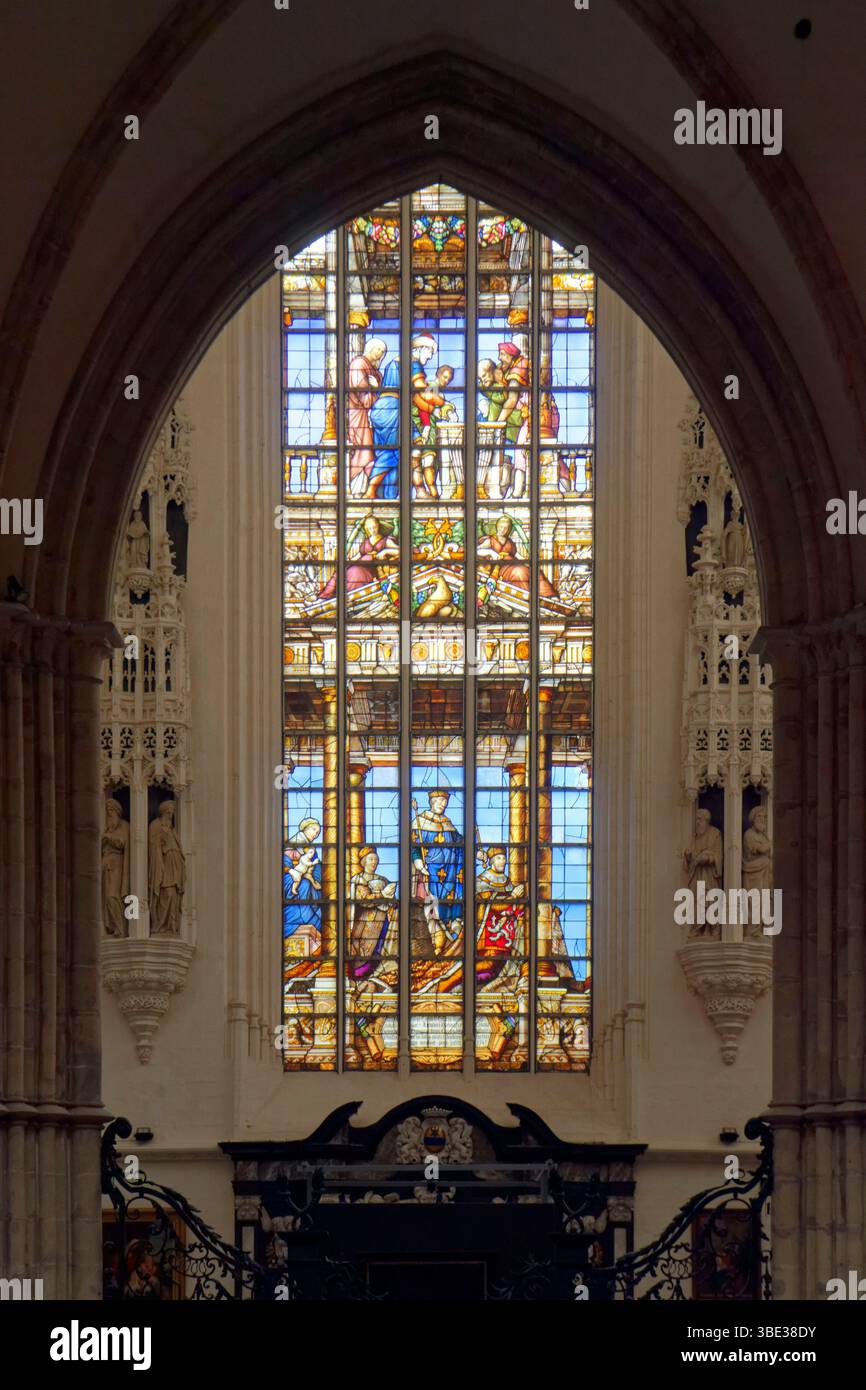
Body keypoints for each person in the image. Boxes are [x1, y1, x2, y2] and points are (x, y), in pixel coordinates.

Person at [411, 789, 464, 958]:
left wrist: (476, 850)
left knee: (448, 904)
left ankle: (449, 937)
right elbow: (414, 845)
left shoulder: (449, 825)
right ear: (432, 802)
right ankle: (435, 939)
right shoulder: (420, 822)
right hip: (430, 871)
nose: (443, 804)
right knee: (431, 904)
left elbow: (461, 844)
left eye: (445, 802)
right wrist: (418, 863)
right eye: (440, 801)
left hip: (450, 873)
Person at [318, 514, 398, 602]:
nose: (373, 530)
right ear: (367, 529)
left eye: (374, 527)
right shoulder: (366, 542)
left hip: (373, 569)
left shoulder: (385, 540)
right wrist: (347, 561)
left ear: (378, 526)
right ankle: (326, 595)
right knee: (341, 571)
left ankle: (349, 598)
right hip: (360, 564)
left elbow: (400, 551)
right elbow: (359, 556)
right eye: (370, 528)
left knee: (355, 572)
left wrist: (385, 551)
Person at [477, 515, 556, 596]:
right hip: (500, 568)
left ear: (509, 529)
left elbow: (516, 555)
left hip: (513, 563)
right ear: (497, 526)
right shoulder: (490, 540)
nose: (502, 530)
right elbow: (476, 550)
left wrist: (528, 561)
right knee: (519, 572)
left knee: (535, 571)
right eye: (501, 527)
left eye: (505, 528)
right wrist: (490, 552)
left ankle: (548, 595)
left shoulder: (509, 541)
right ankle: (527, 596)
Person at [348, 338, 386, 495]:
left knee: (370, 449)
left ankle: (366, 490)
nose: (380, 354)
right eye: (378, 349)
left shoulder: (373, 369)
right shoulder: (358, 364)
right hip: (358, 414)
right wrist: (374, 392)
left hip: (370, 415)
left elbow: (380, 391)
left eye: (383, 352)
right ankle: (358, 489)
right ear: (370, 348)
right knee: (364, 450)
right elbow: (362, 393)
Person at [148, 800, 186, 936]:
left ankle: (172, 925)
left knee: (173, 896)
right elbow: (154, 847)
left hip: (175, 868)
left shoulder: (172, 830)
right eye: (168, 812)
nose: (170, 815)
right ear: (163, 812)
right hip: (164, 866)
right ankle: (159, 925)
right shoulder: (156, 826)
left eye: (172, 812)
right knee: (167, 894)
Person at [366, 358, 400, 498]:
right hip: (393, 440)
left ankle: (383, 495)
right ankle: (371, 490)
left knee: (387, 457)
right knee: (391, 455)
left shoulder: (380, 401)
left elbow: (374, 416)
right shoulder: (397, 403)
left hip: (380, 439)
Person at [102, 797, 130, 936]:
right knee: (105, 897)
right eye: (107, 813)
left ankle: (121, 928)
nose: (109, 815)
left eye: (111, 812)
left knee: (112, 896)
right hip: (106, 866)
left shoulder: (124, 826)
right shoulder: (108, 829)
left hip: (117, 865)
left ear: (117, 813)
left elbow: (123, 843)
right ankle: (110, 927)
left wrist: (109, 839)